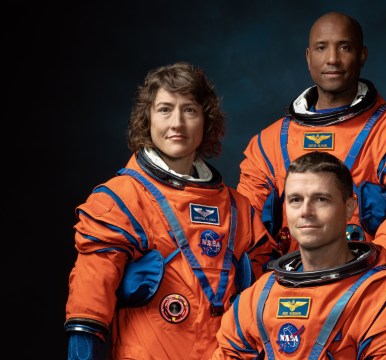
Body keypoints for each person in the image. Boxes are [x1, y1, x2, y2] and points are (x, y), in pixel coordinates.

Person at [64, 62, 275, 360]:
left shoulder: (239, 210)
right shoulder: (120, 200)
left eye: (189, 110)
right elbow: (88, 308)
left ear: (206, 121)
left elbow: (263, 311)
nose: (177, 123)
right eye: (164, 109)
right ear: (146, 118)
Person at [236, 11, 386, 274]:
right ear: (309, 57)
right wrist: (264, 283)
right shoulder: (269, 143)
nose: (332, 59)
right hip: (285, 288)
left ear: (362, 56)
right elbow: (246, 223)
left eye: (344, 47)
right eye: (322, 48)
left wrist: (368, 272)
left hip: (362, 288)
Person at [214, 151, 386, 359]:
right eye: (295, 200)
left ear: (349, 208)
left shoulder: (383, 300)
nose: (306, 211)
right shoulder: (258, 298)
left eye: (321, 199)